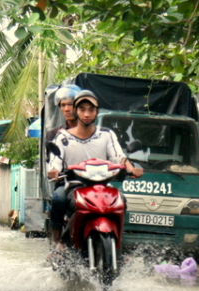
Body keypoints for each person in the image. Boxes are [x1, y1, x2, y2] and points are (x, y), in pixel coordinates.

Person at [47, 89, 143, 246]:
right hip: (72, 186)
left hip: (102, 186)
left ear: (97, 112)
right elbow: (56, 161)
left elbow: (119, 157)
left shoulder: (106, 134)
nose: (87, 114)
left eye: (91, 110)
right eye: (82, 109)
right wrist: (54, 171)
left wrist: (132, 168)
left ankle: (118, 244)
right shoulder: (62, 137)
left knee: (122, 200)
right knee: (58, 199)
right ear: (76, 111)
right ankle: (58, 244)